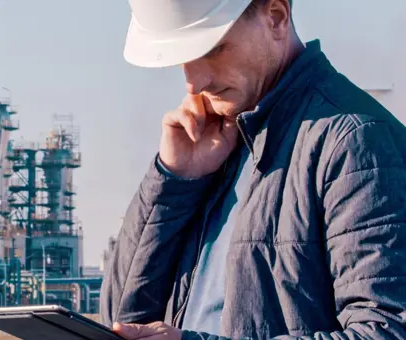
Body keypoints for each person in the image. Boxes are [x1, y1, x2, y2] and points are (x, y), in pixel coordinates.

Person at [99, 0, 406, 339]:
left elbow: (386, 331)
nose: (195, 82)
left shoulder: (355, 142)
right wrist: (172, 181)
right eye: (180, 58)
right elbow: (118, 319)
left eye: (213, 49)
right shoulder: (213, 145)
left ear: (276, 17)